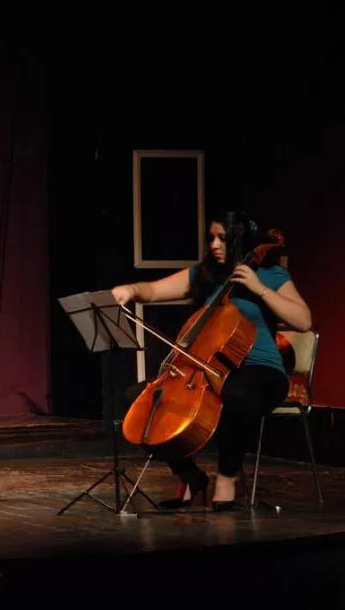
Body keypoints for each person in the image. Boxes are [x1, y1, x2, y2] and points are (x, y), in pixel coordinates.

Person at [111, 211, 312, 511]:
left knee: (236, 394)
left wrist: (259, 289)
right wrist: (130, 290)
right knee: (140, 400)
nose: (215, 245)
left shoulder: (270, 274)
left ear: (240, 240)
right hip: (210, 369)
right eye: (212, 238)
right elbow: (151, 291)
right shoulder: (204, 275)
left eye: (223, 238)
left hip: (262, 371)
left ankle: (227, 477)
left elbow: (303, 320)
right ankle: (190, 476)